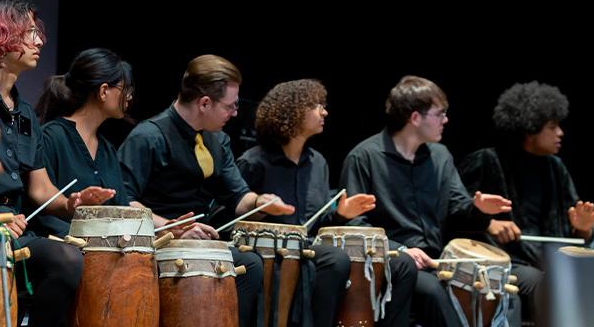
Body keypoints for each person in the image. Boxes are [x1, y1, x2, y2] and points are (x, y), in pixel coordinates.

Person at [0, 0, 114, 327]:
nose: (39, 40)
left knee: (70, 260)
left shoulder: (25, 113)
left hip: (16, 232)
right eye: (28, 32)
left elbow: (41, 190)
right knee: (64, 258)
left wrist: (72, 203)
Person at [118, 54, 296, 326]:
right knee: (248, 265)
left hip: (199, 242)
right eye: (230, 106)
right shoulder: (149, 136)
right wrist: (171, 227)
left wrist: (261, 202)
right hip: (155, 243)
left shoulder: (217, 139)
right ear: (204, 103)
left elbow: (239, 197)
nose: (235, 113)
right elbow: (124, 201)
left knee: (249, 263)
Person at [236, 79, 416, 327]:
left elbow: (317, 223)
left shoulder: (318, 162)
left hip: (311, 245)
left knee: (402, 262)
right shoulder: (254, 162)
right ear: (293, 110)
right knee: (336, 259)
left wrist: (340, 214)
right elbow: (232, 218)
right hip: (274, 252)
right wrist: (261, 210)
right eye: (317, 105)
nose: (325, 111)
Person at [339, 75, 515, 327]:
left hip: (436, 259)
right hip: (394, 263)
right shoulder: (364, 157)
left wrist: (478, 209)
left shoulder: (440, 156)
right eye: (440, 113)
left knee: (504, 293)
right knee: (434, 291)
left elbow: (458, 210)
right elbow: (354, 225)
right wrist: (399, 250)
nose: (446, 120)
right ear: (415, 118)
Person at [458, 81, 594, 324]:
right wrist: (487, 222)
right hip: (505, 263)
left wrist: (583, 228)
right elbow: (456, 216)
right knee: (548, 284)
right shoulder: (487, 161)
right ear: (530, 129)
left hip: (553, 263)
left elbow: (574, 237)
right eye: (552, 127)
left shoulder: (555, 168)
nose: (560, 133)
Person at [32, 47, 134, 238]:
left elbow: (122, 210)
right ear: (104, 91)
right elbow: (42, 212)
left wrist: (166, 226)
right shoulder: (52, 136)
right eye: (125, 89)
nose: (129, 96)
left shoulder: (107, 149)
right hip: (65, 252)